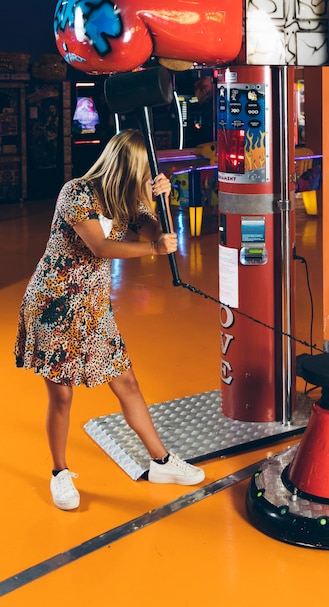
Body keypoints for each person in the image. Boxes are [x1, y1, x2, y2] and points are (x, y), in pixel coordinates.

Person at [15, 129, 205, 511]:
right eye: (143, 171)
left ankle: (162, 463)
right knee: (62, 394)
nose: (145, 177)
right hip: (54, 304)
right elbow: (100, 246)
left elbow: (155, 229)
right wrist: (152, 248)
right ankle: (59, 474)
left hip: (93, 308)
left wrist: (161, 200)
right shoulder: (77, 193)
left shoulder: (125, 201)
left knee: (128, 384)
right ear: (128, 166)